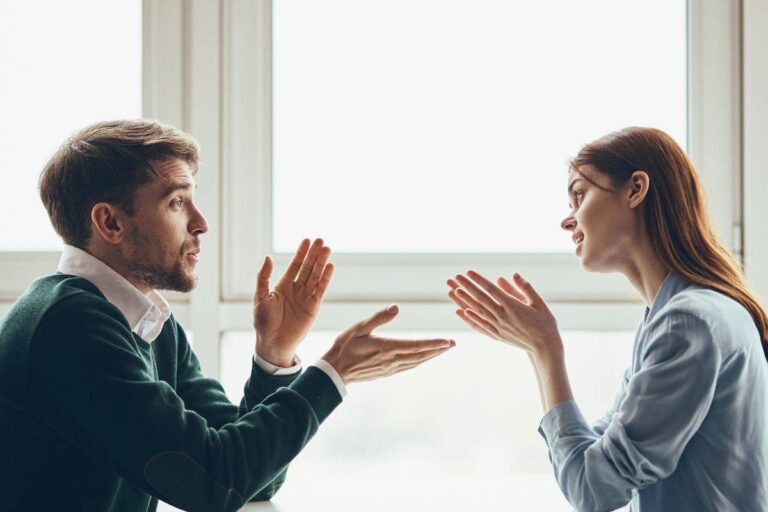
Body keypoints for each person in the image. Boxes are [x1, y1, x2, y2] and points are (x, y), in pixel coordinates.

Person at [0, 119, 455, 512]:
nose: (201, 223)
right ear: (110, 223)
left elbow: (252, 477)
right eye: (177, 202)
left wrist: (274, 356)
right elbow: (214, 483)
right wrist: (332, 373)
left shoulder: (148, 324)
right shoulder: (69, 326)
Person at [447, 127, 768, 511]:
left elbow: (594, 489)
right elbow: (594, 457)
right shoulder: (680, 318)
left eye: (579, 195)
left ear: (635, 189)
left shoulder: (686, 324)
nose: (568, 221)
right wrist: (538, 347)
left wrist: (546, 350)